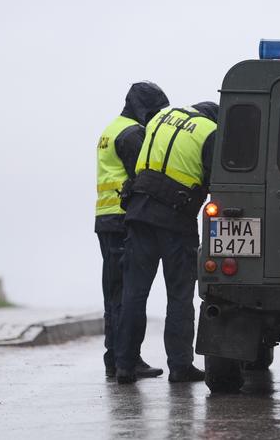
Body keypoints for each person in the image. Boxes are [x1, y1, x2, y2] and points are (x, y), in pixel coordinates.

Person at [114, 101, 219, 384]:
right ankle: (180, 366)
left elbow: (134, 148)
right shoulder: (210, 131)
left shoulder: (162, 116)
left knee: (134, 293)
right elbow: (217, 180)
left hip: (138, 213)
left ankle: (124, 365)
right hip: (175, 220)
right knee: (180, 296)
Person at [95, 81, 169, 379]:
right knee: (129, 295)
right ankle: (128, 359)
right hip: (123, 219)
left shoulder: (111, 129)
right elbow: (144, 175)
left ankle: (113, 357)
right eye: (154, 112)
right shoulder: (132, 134)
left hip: (106, 219)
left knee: (114, 293)